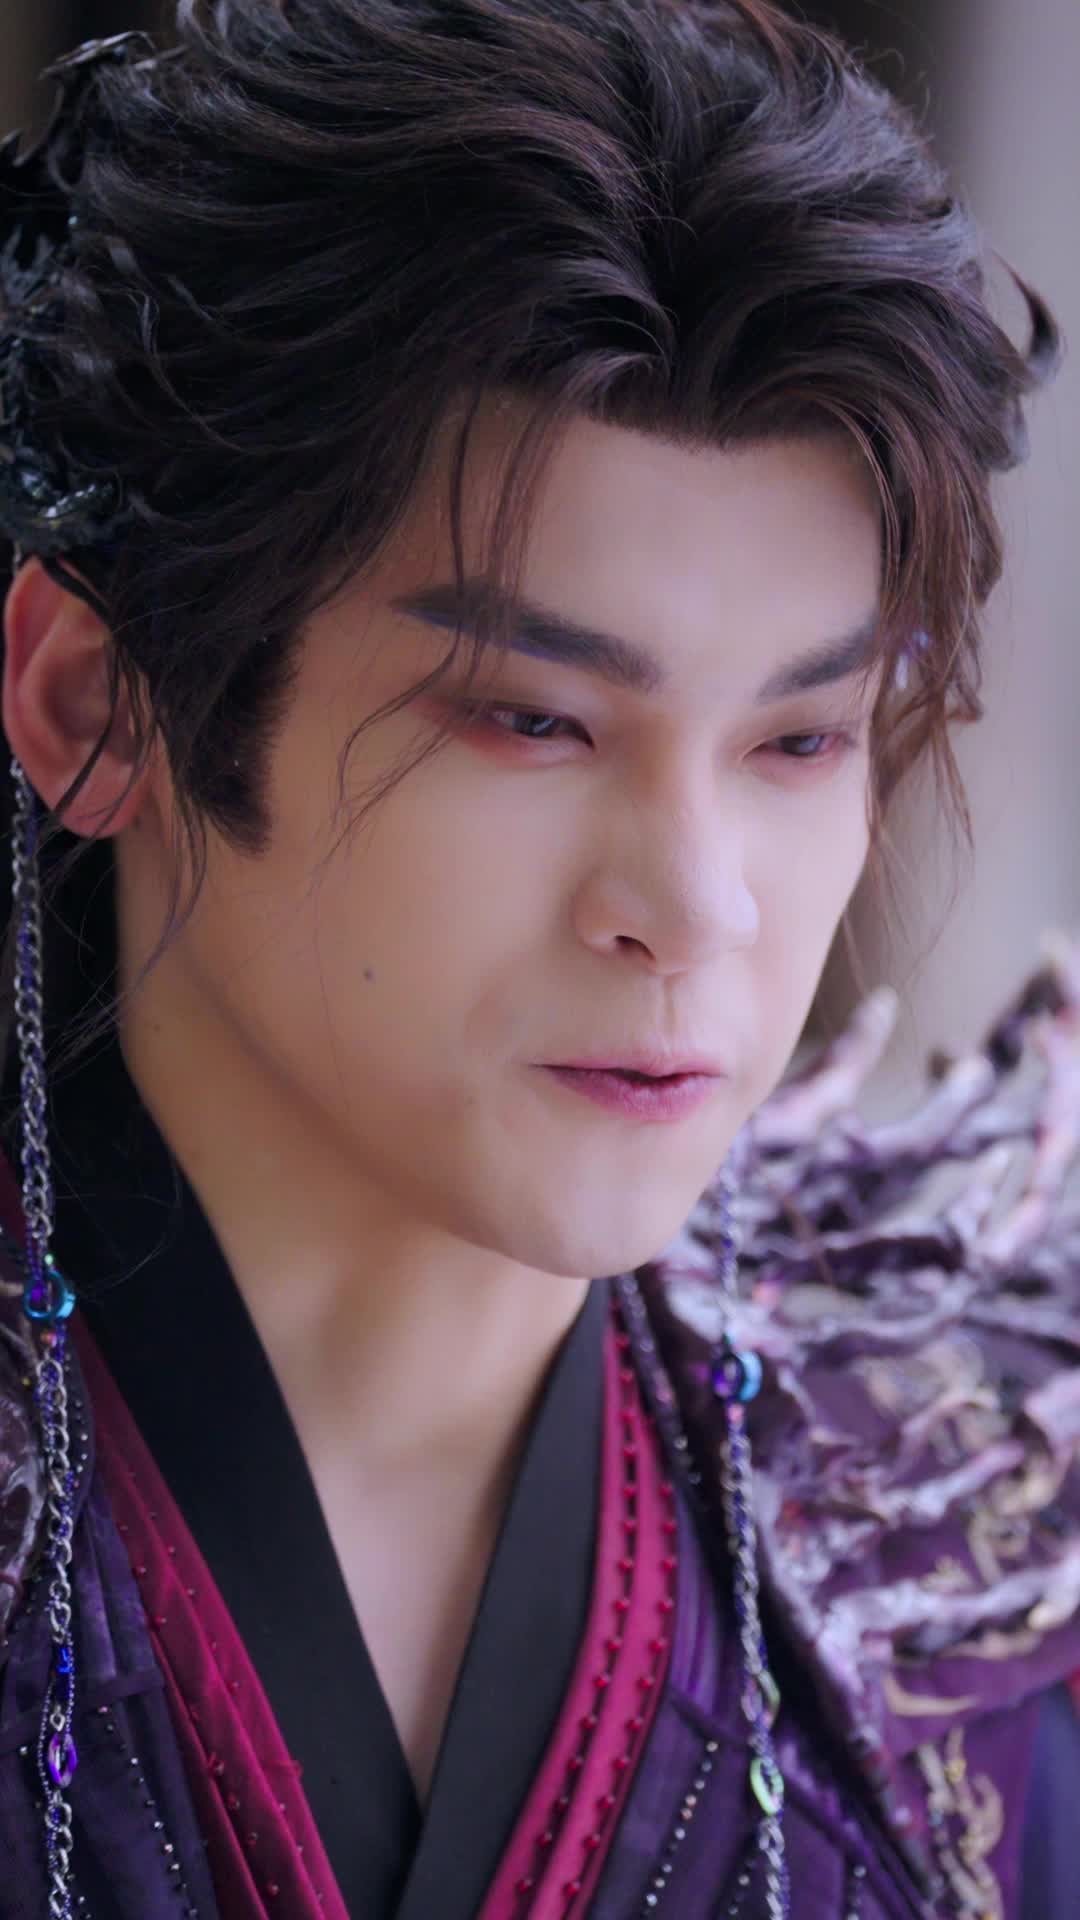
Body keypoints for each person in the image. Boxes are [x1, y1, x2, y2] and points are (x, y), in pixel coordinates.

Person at [0, 5, 1078, 1917]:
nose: (696, 908)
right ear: (98, 705)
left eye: (801, 739)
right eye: (534, 721)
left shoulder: (965, 1565)